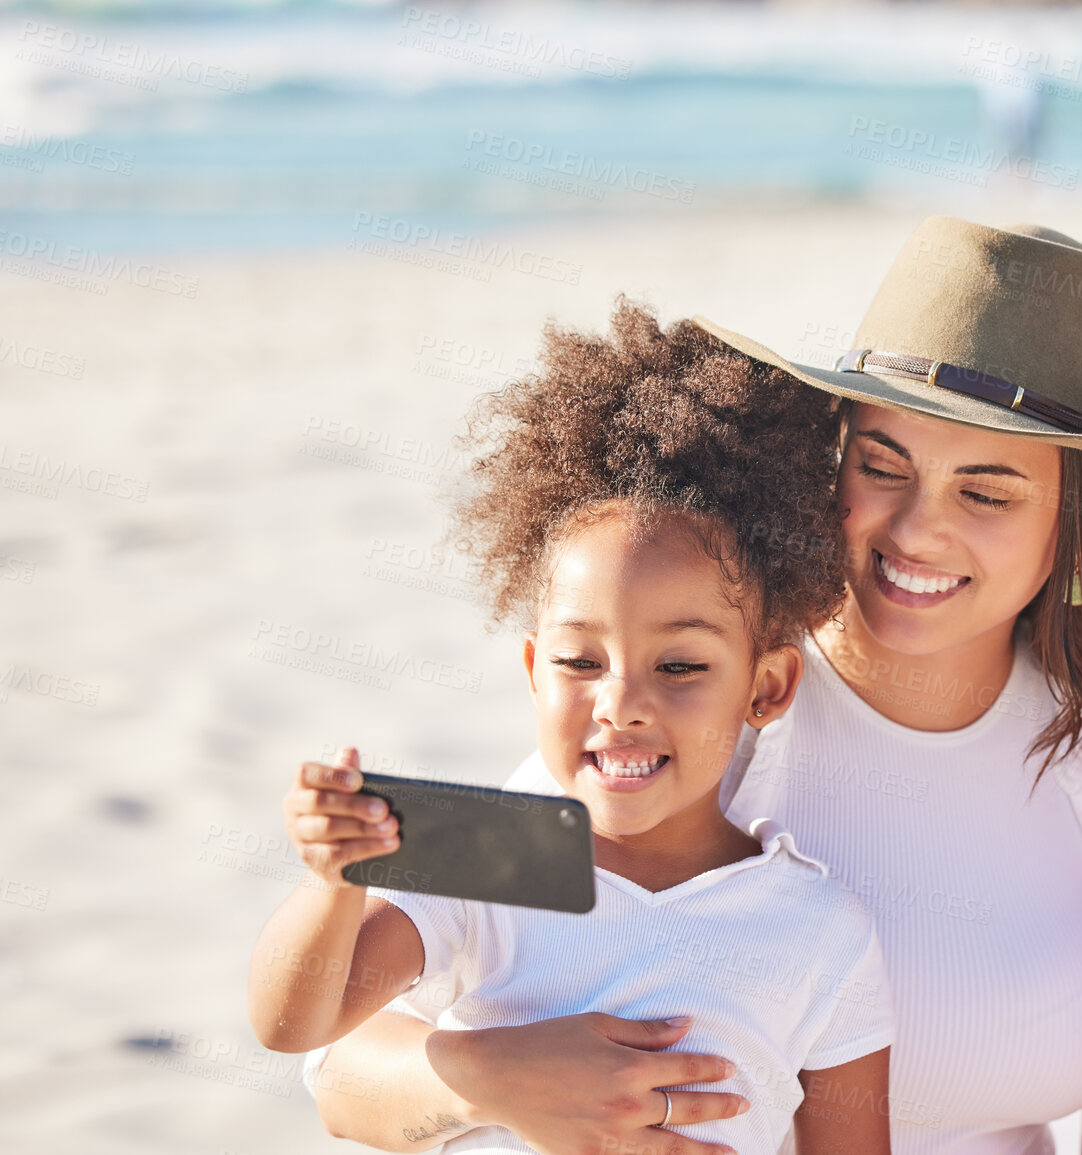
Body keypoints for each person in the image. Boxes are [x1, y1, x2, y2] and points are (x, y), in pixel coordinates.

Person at [304, 218, 1082, 1155]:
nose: (918, 530)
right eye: (884, 466)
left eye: (988, 489)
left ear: (1071, 516)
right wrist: (491, 1081)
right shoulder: (695, 701)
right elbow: (334, 1064)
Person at [249, 303, 896, 1155]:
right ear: (531, 670)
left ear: (765, 686)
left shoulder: (821, 927)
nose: (621, 702)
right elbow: (295, 1022)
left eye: (679, 666)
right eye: (579, 662)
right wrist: (332, 883)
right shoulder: (483, 856)